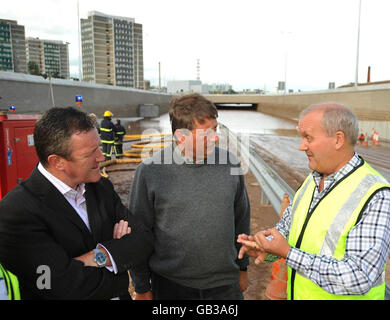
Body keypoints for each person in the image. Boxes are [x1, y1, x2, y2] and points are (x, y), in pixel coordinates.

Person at [238, 102, 390, 300]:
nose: (302, 146)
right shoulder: (312, 180)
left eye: (308, 137)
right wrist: (266, 247)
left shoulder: (375, 194)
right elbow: (289, 233)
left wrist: (288, 253)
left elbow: (359, 277)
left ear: (338, 139)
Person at [0, 107, 153, 299]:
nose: (101, 157)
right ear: (57, 162)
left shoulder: (101, 187)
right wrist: (118, 265)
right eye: (91, 153)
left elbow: (143, 240)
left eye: (99, 146)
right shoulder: (16, 211)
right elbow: (59, 286)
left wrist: (97, 256)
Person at [129, 93, 250, 300]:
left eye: (215, 129)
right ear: (180, 136)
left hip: (224, 286)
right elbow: (139, 231)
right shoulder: (150, 171)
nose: (215, 138)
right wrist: (141, 286)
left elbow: (241, 219)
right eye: (206, 133)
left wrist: (242, 268)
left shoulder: (231, 164)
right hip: (171, 286)